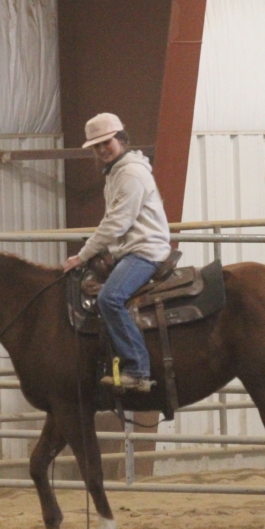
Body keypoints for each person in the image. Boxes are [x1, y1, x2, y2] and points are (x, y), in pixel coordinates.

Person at [63, 113, 171, 393]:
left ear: (121, 139)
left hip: (145, 250)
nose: (102, 149)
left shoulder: (130, 174)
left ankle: (138, 369)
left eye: (106, 142)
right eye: (96, 146)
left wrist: (83, 255)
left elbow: (117, 223)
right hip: (131, 249)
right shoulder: (117, 172)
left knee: (110, 298)